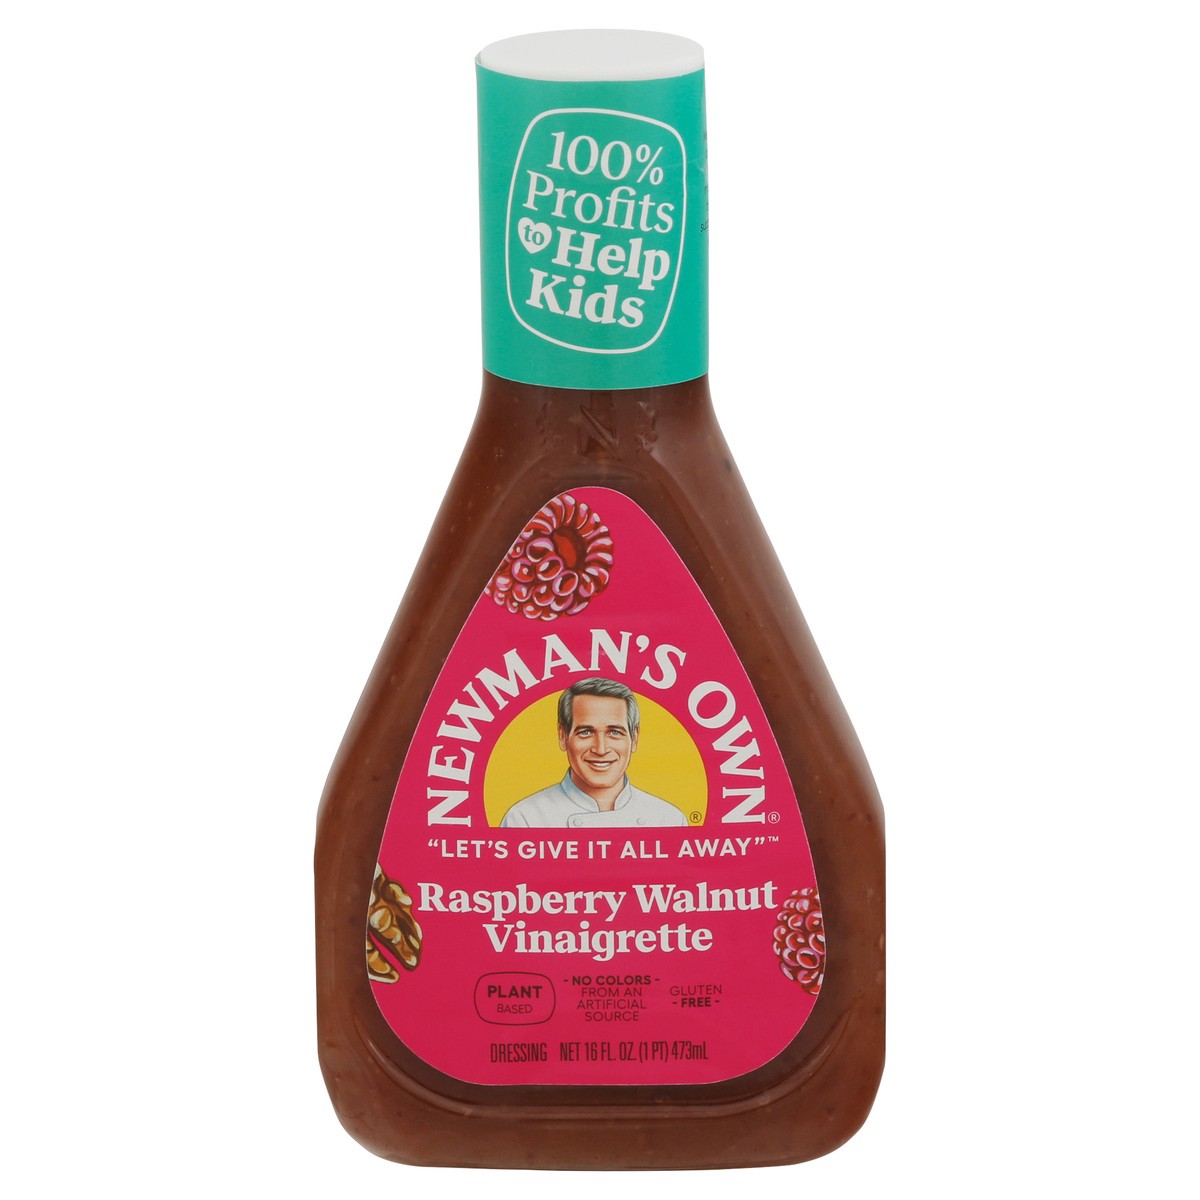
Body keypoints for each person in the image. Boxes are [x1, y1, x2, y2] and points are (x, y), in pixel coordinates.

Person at [500, 678, 687, 828]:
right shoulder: (525, 820)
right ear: (563, 736)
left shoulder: (669, 819)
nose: (601, 749)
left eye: (615, 732)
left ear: (634, 738)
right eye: (586, 732)